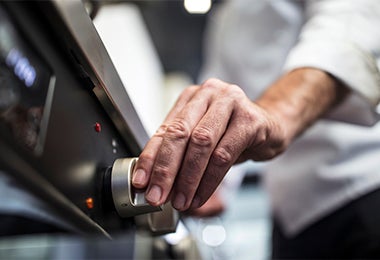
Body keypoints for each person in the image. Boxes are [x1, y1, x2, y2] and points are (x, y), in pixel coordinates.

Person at [132, 0, 380, 258]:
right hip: (290, 216)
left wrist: (275, 114)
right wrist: (207, 182)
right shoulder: (226, 18)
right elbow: (225, 98)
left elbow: (346, 31)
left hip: (363, 188)